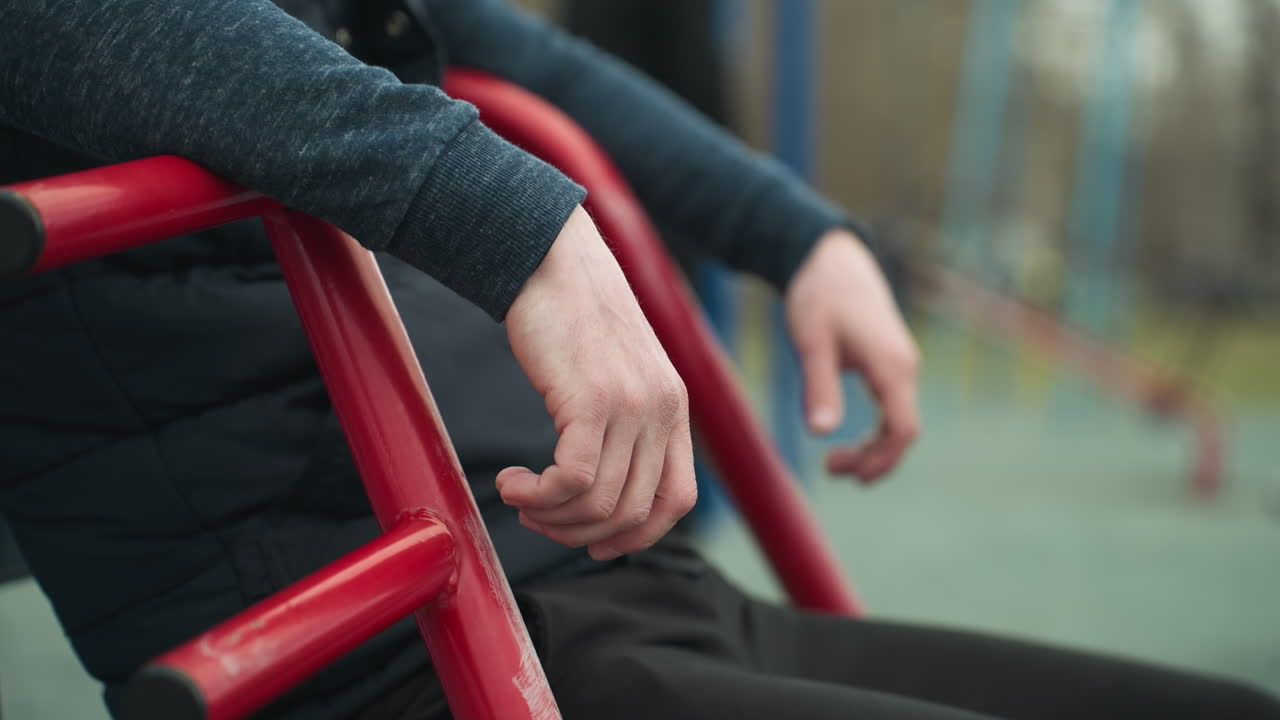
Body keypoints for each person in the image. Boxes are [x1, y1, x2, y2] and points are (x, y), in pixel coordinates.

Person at [0, 1, 1275, 719]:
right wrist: (524, 227)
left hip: (629, 596)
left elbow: (530, 58)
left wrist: (801, 234)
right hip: (406, 665)